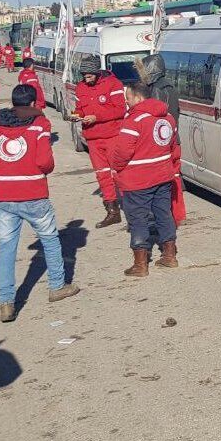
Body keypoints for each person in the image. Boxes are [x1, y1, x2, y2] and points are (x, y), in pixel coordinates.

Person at [0, 84, 80, 322]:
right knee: (50, 240)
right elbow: (44, 162)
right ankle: (57, 286)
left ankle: (6, 302)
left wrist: (3, 170)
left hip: (3, 194)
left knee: (6, 248)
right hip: (33, 192)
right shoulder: (39, 125)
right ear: (32, 103)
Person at [109, 81, 181, 277]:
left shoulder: (134, 120)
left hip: (137, 179)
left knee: (138, 218)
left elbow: (122, 151)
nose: (126, 103)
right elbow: (173, 147)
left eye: (128, 99)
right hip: (163, 174)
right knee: (163, 213)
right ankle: (169, 255)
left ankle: (140, 264)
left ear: (139, 98)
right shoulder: (168, 118)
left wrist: (116, 167)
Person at [71, 54, 127, 227]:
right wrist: (76, 115)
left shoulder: (113, 84)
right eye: (84, 77)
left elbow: (120, 110)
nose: (86, 80)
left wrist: (97, 117)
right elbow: (80, 108)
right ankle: (112, 211)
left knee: (119, 173)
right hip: (93, 138)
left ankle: (133, 211)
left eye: (89, 76)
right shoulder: (80, 87)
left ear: (97, 73)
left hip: (112, 135)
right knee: (102, 174)